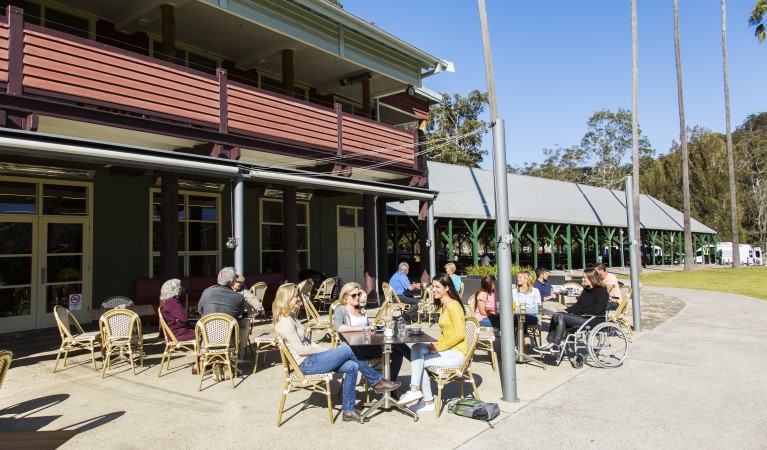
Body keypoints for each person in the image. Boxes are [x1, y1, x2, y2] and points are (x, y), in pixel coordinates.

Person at [274, 283, 400, 423]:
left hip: (313, 359)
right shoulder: (285, 321)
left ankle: (348, 411)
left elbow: (307, 343)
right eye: (296, 296)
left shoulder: (291, 316)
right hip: (305, 365)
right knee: (349, 349)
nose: (298, 299)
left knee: (352, 366)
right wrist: (325, 350)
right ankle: (377, 381)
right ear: (286, 298)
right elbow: (301, 350)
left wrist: (323, 350)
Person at [397, 273, 467, 413]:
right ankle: (417, 391)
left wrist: (439, 347)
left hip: (457, 353)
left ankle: (422, 396)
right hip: (447, 350)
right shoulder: (443, 306)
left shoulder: (453, 306)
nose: (433, 290)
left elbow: (459, 334)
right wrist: (435, 346)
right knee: (417, 348)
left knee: (419, 361)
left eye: (437, 287)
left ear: (447, 288)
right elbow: (446, 333)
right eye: (432, 286)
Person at [332, 282, 410, 381]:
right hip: (354, 349)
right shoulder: (341, 310)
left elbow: (368, 327)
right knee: (397, 345)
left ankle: (391, 383)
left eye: (359, 294)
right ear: (345, 297)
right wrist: (363, 328)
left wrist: (375, 328)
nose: (357, 297)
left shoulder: (361, 309)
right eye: (354, 295)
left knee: (397, 351)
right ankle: (418, 362)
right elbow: (338, 327)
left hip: (368, 345)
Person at [535, 268, 609, 352]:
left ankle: (555, 344)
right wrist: (567, 310)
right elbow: (577, 305)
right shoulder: (586, 290)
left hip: (592, 319)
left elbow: (596, 310)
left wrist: (578, 311)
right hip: (582, 316)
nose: (582, 279)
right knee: (557, 314)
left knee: (561, 316)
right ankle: (549, 341)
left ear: (592, 278)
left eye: (584, 277)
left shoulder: (602, 292)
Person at [198, 267, 250, 361]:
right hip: (228, 338)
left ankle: (203, 357)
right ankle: (239, 354)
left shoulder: (206, 292)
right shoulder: (238, 297)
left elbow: (200, 310)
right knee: (245, 323)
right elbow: (240, 314)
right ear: (231, 281)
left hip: (208, 337)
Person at [512, 271, 541, 337]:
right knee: (519, 318)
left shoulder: (535, 291)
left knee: (523, 318)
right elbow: (515, 304)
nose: (517, 279)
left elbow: (538, 306)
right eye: (517, 277)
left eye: (520, 277)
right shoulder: (515, 291)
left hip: (532, 316)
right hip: (518, 315)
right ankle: (525, 338)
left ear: (526, 279)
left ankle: (523, 338)